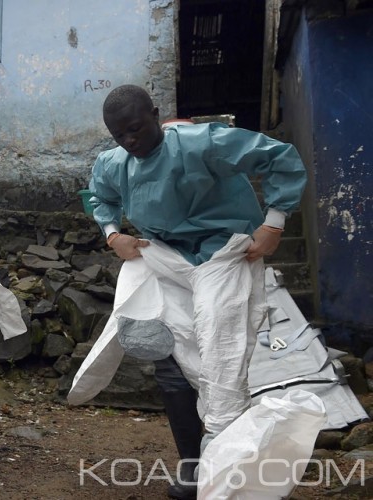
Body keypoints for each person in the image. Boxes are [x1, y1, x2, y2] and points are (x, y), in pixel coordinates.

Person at [87, 84, 306, 499]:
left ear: (155, 114)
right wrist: (113, 235)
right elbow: (100, 197)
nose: (130, 141)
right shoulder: (114, 164)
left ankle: (224, 466)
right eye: (119, 136)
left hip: (222, 253)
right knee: (172, 361)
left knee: (221, 354)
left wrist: (274, 223)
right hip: (167, 257)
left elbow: (280, 158)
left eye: (135, 129)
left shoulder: (202, 143)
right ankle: (195, 467)